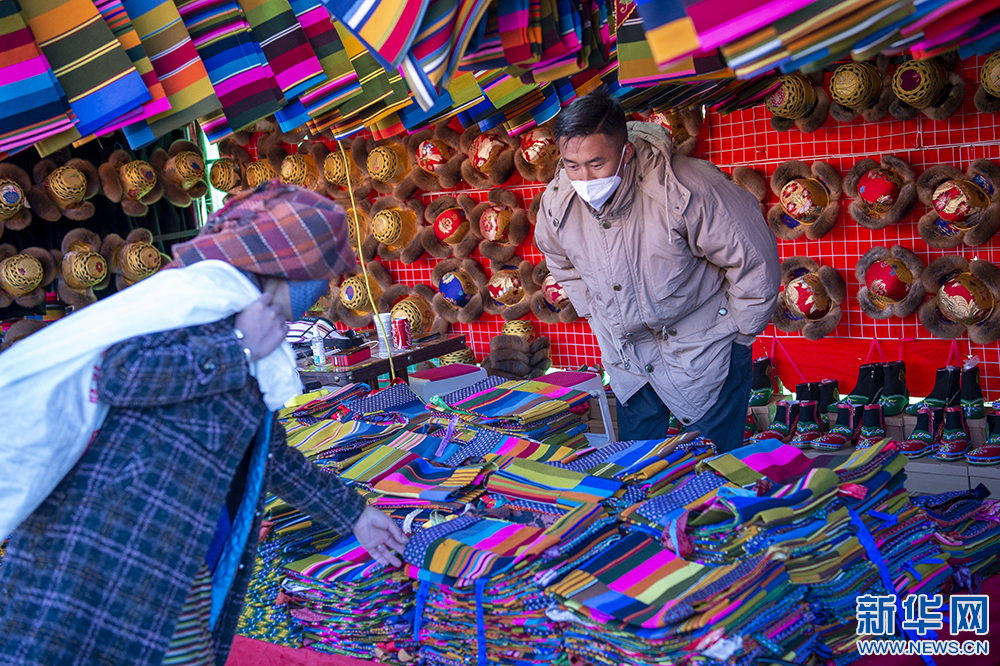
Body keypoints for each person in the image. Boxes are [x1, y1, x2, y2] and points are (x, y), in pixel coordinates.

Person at [0, 182, 407, 666]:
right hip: (98, 560)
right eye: (323, 273)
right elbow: (119, 373)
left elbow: (265, 452)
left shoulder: (237, 316)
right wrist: (237, 348)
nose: (324, 290)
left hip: (168, 565)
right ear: (291, 266)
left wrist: (354, 515)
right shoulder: (196, 305)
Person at [534, 89, 780, 453]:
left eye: (597, 164)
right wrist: (595, 312)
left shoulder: (687, 187)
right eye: (573, 165)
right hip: (628, 359)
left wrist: (740, 334)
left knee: (712, 469)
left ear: (626, 152)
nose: (584, 179)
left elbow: (754, 259)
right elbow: (557, 257)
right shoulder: (558, 199)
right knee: (638, 468)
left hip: (703, 350)